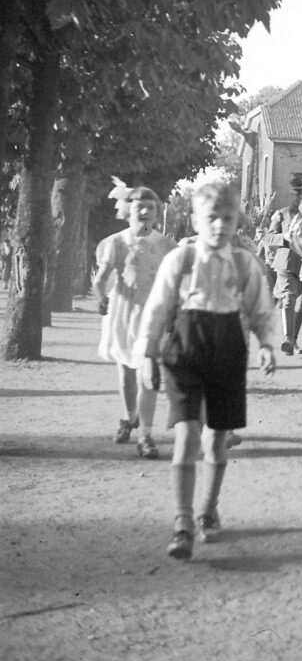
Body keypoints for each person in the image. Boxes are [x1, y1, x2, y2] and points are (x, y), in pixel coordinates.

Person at [138, 181, 275, 560]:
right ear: (196, 220)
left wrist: (266, 344)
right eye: (211, 218)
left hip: (228, 349)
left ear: (236, 221)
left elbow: (260, 308)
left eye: (227, 218)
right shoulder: (180, 260)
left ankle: (207, 508)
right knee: (186, 438)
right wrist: (147, 353)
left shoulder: (245, 263)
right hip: (185, 350)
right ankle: (182, 521)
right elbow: (157, 309)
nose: (219, 226)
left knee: (217, 440)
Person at [94, 185, 177, 459]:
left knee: (148, 372)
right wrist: (100, 294)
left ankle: (146, 435)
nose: (144, 211)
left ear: (156, 213)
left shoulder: (166, 244)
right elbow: (103, 275)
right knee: (126, 372)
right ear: (128, 210)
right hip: (123, 310)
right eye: (139, 206)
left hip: (153, 315)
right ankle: (130, 417)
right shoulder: (116, 242)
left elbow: (176, 278)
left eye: (150, 207)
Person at [264, 183, 302, 355]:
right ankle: (288, 339)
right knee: (289, 298)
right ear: (293, 195)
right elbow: (269, 238)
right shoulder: (281, 214)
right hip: (287, 262)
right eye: (299, 194)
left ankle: (294, 340)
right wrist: (284, 236)